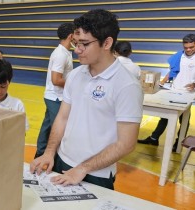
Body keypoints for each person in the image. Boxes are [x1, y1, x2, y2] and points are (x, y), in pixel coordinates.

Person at [30, 9, 144, 190]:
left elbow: (126, 143)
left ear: (107, 43)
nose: (77, 50)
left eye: (84, 44)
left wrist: (83, 168)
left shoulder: (127, 85)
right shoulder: (75, 75)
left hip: (95, 173)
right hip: (61, 162)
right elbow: (62, 118)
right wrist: (50, 152)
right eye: (76, 43)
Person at [138, 34, 195, 151]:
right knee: (165, 116)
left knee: (184, 119)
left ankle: (178, 143)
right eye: (186, 47)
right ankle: (154, 139)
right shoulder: (180, 55)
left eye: (191, 47)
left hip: (188, 94)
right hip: (174, 90)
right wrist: (163, 81)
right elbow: (174, 70)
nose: (188, 50)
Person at [35, 23, 75, 159]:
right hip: (55, 97)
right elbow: (56, 80)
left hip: (55, 96)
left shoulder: (65, 53)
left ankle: (40, 152)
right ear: (71, 36)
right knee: (57, 129)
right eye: (76, 34)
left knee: (47, 127)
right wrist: (73, 85)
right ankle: (55, 158)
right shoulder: (60, 55)